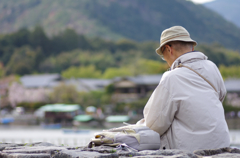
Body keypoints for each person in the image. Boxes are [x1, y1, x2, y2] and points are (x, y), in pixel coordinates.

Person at [137, 26, 230, 152]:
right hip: (222, 145)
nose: (166, 61)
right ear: (192, 47)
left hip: (191, 150)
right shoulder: (212, 67)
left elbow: (154, 125)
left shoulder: (172, 77)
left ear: (169, 49)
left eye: (163, 56)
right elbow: (220, 97)